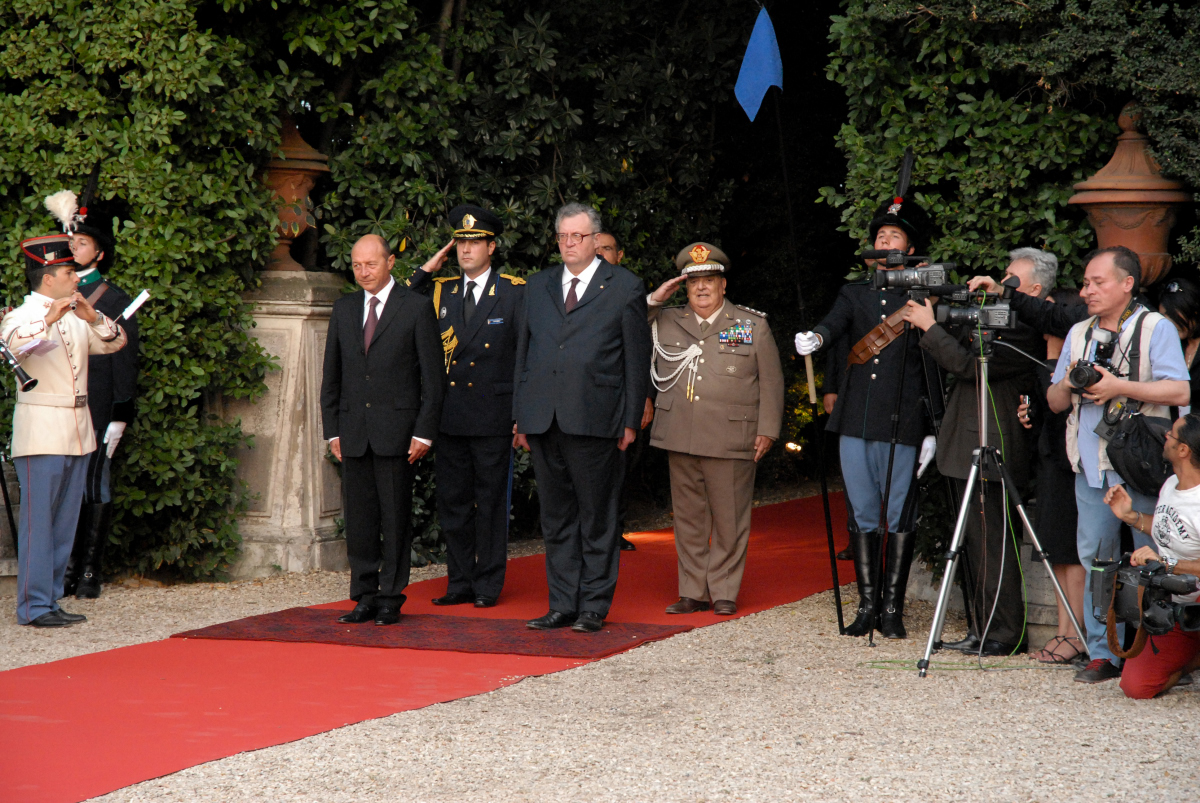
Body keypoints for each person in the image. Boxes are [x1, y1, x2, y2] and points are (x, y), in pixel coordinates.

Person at [794, 192, 937, 638]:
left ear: (910, 250)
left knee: (898, 514)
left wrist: (932, 426)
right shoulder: (854, 293)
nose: (885, 240)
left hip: (903, 419)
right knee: (861, 513)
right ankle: (867, 605)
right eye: (880, 234)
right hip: (856, 418)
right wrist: (815, 338)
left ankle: (892, 610)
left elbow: (934, 365)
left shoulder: (923, 296)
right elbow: (834, 324)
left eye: (894, 235)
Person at [1046, 245, 1190, 682]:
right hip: (1091, 464)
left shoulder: (1155, 327)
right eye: (1085, 283)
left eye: (1097, 282)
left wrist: (1117, 386)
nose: (1087, 290)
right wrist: (1072, 380)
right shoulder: (1078, 333)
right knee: (1096, 558)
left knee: (1156, 556)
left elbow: (1180, 393)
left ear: (1127, 284)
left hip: (1142, 463)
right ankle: (1102, 652)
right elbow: (1053, 401)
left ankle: (1163, 650)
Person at [899, 248, 1052, 655]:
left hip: (994, 445)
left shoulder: (1022, 325)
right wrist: (936, 304)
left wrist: (930, 327)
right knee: (976, 544)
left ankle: (1004, 634)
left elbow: (970, 365)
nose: (1003, 284)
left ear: (1035, 289)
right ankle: (982, 627)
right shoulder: (990, 316)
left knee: (993, 544)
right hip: (966, 440)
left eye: (1013, 280)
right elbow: (962, 346)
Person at [512, 203, 652, 634]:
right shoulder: (537, 286)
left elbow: (636, 358)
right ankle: (562, 604)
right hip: (544, 418)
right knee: (556, 519)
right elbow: (524, 354)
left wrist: (630, 420)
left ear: (595, 240)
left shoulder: (625, 286)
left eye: (578, 236)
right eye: (562, 237)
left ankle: (593, 605)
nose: (569, 244)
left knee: (597, 517)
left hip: (597, 418)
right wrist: (520, 417)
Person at [645, 243, 784, 615]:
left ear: (724, 285)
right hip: (680, 432)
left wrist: (768, 429)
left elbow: (771, 382)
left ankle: (723, 590)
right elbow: (625, 326)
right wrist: (654, 300)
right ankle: (692, 591)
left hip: (731, 435)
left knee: (729, 518)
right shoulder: (666, 319)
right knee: (688, 519)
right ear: (684, 287)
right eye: (694, 283)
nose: (702, 289)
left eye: (710, 281)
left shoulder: (750, 324)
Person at [4, 233, 127, 627]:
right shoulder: (21, 315)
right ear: (47, 278)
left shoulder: (78, 312)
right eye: (69, 272)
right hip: (40, 429)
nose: (76, 279)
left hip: (77, 428)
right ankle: (33, 606)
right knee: (39, 522)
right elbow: (13, 344)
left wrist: (93, 317)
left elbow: (114, 342)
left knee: (63, 523)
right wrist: (49, 319)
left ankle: (51, 598)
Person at [320, 234, 444, 626]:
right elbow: (332, 376)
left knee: (394, 517)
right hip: (354, 432)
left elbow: (433, 378)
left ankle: (391, 595)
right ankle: (364, 595)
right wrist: (332, 431)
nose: (363, 272)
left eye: (370, 264)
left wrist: (424, 432)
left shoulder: (416, 308)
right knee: (359, 521)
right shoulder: (343, 309)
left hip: (398, 432)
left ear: (390, 262)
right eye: (356, 265)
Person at [406, 205, 524, 608]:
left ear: (492, 246)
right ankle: (459, 582)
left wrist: (521, 413)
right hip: (451, 415)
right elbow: (400, 304)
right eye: (460, 242)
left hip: (493, 414)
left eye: (475, 242)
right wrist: (426, 270)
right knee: (454, 504)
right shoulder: (441, 290)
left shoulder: (513, 291)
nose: (465, 249)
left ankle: (488, 585)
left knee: (490, 504)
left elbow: (526, 354)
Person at [58, 200, 140, 600]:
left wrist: (121, 411)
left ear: (100, 252)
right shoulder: (53, 290)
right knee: (66, 486)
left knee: (95, 483)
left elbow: (125, 357)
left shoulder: (114, 297)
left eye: (84, 241)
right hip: (61, 403)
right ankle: (67, 568)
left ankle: (90, 569)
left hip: (100, 404)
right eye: (73, 240)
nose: (76, 247)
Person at [1104, 414, 1200, 698]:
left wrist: (1167, 564)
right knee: (1136, 686)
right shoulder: (1171, 484)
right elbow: (1168, 531)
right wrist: (1131, 516)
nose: (1165, 437)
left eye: (1171, 435)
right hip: (1174, 607)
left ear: (1183, 450)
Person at [1020, 284, 1089, 664]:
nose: (1043, 319)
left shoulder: (1074, 360)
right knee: (1056, 551)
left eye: (1050, 312)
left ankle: (1075, 633)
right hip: (1049, 460)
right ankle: (1063, 630)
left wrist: (1051, 353)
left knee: (1070, 550)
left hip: (1069, 464)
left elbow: (1061, 407)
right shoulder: (1046, 356)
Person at [596, 229, 652, 552]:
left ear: (619, 255)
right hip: (589, 398)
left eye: (609, 248)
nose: (602, 253)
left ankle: (615, 530)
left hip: (621, 398)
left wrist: (645, 395)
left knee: (618, 469)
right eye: (597, 247)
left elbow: (642, 349)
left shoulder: (629, 288)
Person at [1157, 277, 1200, 405]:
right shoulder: (1171, 346)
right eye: (1164, 317)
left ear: (1193, 311)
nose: (1169, 322)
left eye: (1174, 315)